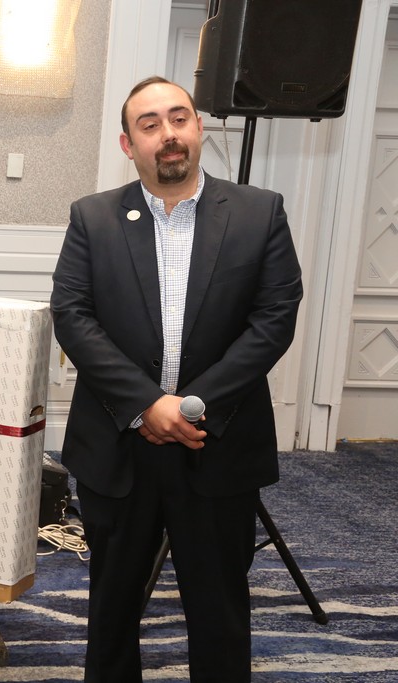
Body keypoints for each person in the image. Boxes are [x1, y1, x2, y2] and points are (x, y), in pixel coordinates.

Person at [50, 76, 303, 682]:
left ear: (198, 127)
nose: (168, 133)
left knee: (219, 612)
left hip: (217, 441)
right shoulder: (92, 217)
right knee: (112, 613)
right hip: (119, 444)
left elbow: (274, 319)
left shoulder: (259, 212)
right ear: (127, 144)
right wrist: (147, 405)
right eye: (150, 124)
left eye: (179, 118)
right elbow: (73, 316)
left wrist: (190, 406)